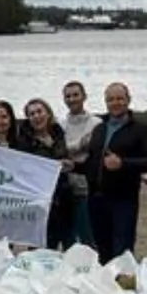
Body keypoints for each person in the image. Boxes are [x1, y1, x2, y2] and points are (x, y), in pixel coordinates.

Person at [81, 82, 147, 262]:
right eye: (110, 99)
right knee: (102, 251)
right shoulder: (99, 128)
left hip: (123, 200)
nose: (115, 103)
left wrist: (123, 163)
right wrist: (73, 166)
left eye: (119, 99)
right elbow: (92, 162)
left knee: (122, 251)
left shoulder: (140, 129)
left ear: (128, 100)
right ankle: (104, 288)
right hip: (96, 198)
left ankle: (123, 288)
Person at [16, 98, 72, 249]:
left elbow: (65, 156)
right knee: (39, 245)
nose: (36, 116)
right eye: (31, 114)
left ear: (48, 113)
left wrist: (68, 163)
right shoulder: (24, 142)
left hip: (63, 196)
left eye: (39, 111)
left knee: (64, 242)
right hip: (39, 201)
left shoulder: (58, 133)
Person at [60, 81, 103, 250]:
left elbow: (95, 152)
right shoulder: (60, 125)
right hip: (66, 186)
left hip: (88, 186)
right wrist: (79, 145)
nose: (72, 99)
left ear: (84, 96)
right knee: (68, 237)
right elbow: (61, 151)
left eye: (75, 95)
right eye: (68, 96)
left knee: (88, 235)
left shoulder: (96, 123)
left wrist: (75, 150)